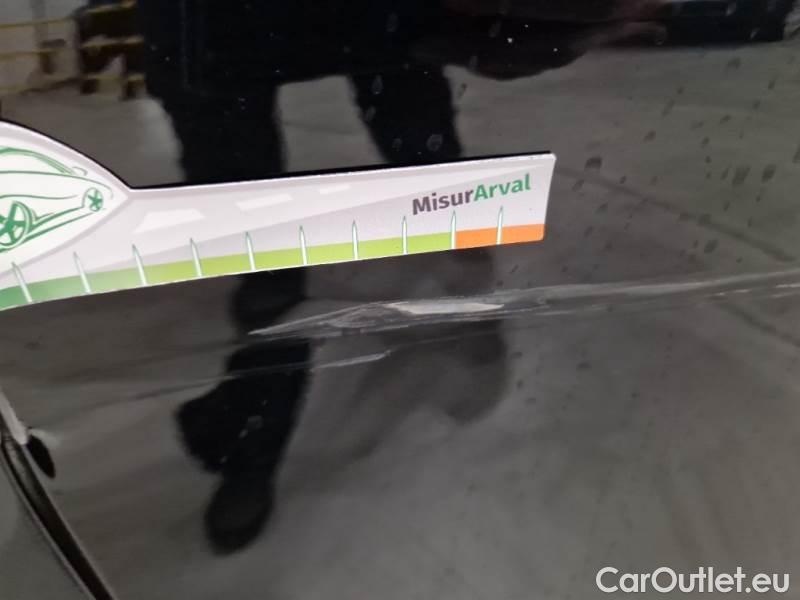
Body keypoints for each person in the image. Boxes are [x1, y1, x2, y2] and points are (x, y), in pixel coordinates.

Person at [137, 0, 663, 553]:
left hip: (369, 18)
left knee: (418, 133)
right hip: (212, 23)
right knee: (259, 252)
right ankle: (252, 443)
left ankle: (447, 225)